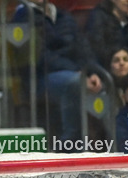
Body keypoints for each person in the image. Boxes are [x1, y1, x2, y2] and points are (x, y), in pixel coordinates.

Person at [11, 1, 104, 143]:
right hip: (40, 78)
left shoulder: (64, 16)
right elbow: (39, 58)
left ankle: (111, 142)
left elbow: (83, 48)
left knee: (105, 83)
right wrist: (77, 73)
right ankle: (71, 145)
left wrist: (92, 73)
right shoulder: (22, 17)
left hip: (75, 73)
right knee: (74, 83)